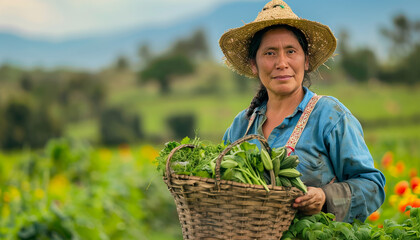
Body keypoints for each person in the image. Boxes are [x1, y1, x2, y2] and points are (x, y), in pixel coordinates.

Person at [219, 0, 385, 223]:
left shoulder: (330, 116)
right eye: (269, 53)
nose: (282, 62)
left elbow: (372, 185)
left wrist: (325, 197)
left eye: (291, 51)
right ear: (253, 65)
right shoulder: (241, 126)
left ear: (306, 61)